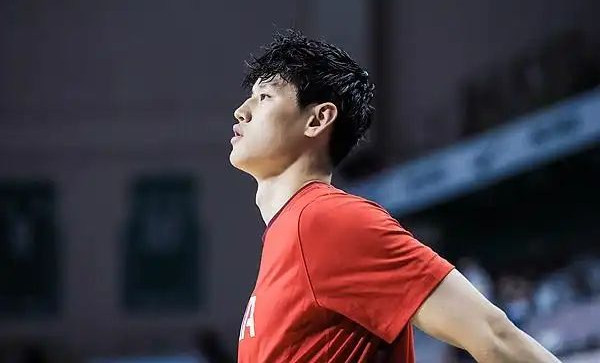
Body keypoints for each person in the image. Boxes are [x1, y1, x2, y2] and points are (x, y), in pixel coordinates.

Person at [229, 29, 561, 363]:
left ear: (317, 119)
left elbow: (494, 336)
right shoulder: (289, 233)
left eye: (265, 96)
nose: (242, 111)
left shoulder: (326, 221)